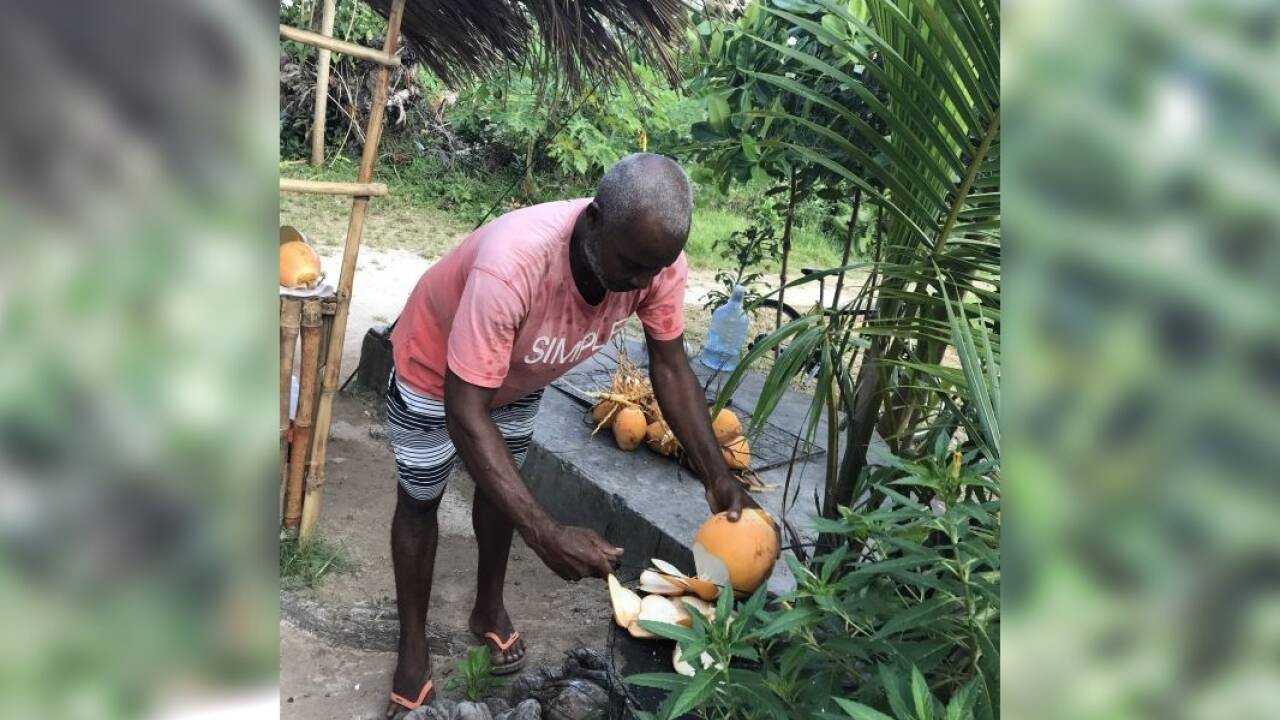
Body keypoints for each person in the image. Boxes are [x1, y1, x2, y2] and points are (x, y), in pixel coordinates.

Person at [382, 153, 759, 716]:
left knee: (499, 484)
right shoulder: (514, 264)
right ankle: (412, 645)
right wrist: (546, 531)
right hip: (435, 369)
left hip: (520, 371)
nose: (641, 283)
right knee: (419, 499)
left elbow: (672, 367)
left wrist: (717, 475)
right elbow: (465, 411)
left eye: (654, 270)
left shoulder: (652, 259)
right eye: (632, 265)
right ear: (594, 221)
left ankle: (487, 607)